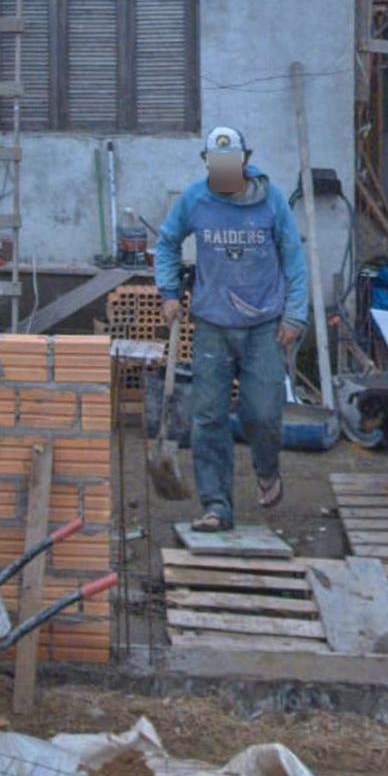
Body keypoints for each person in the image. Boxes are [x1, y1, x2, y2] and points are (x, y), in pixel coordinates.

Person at [153, 125, 306, 531]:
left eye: (229, 163)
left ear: (244, 160)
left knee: (263, 413)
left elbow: (294, 257)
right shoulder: (195, 199)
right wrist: (169, 292)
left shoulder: (271, 200)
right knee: (207, 419)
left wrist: (295, 315)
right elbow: (167, 242)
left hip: (264, 326)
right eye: (214, 163)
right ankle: (216, 505)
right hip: (212, 325)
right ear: (207, 162)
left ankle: (267, 469)